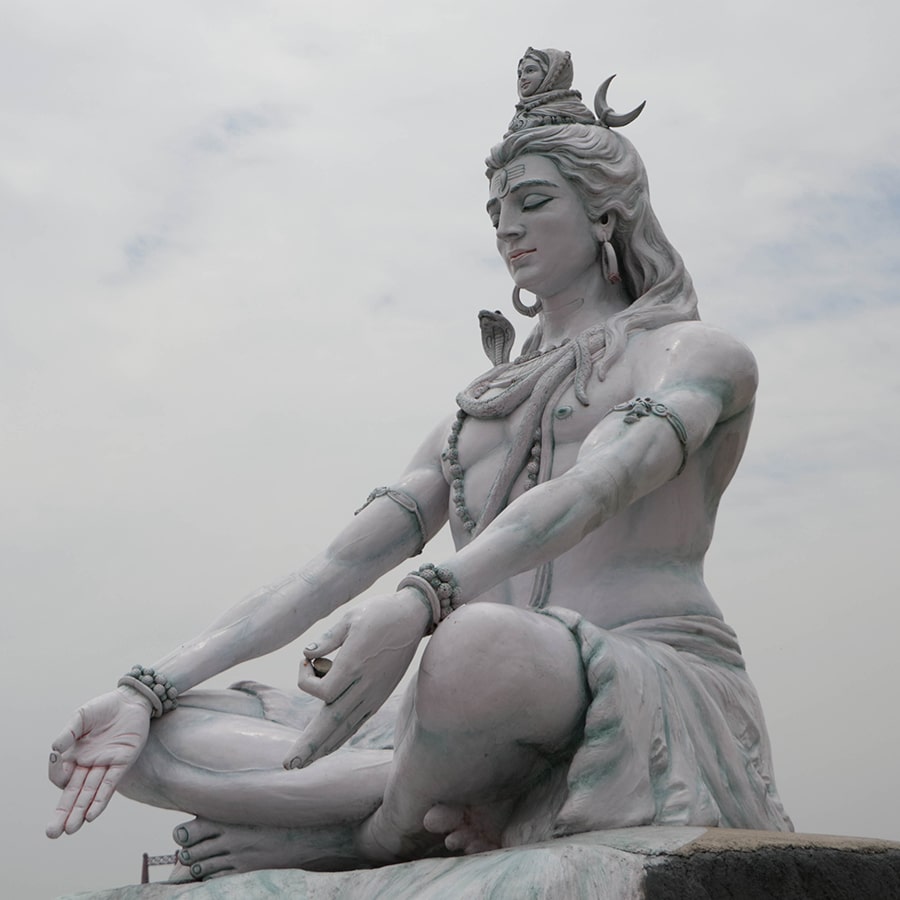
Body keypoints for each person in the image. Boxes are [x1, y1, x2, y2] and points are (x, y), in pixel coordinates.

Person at [47, 50, 792, 881]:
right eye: (496, 211)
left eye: (533, 202)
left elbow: (595, 486)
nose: (506, 229)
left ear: (607, 215)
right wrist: (146, 687)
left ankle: (372, 837)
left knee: (477, 646)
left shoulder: (694, 356)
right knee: (148, 737)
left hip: (623, 675)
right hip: (454, 718)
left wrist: (422, 600)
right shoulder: (474, 414)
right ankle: (448, 789)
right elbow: (335, 566)